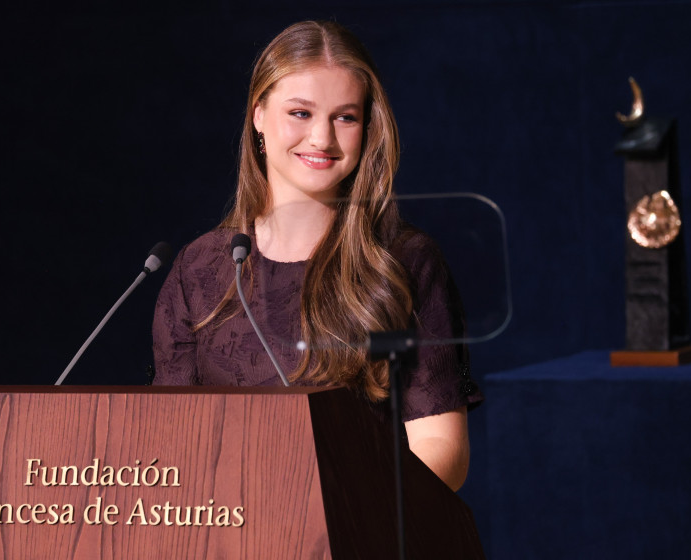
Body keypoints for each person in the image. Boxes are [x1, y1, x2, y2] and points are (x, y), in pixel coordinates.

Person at [151, 20, 482, 491]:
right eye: (301, 113)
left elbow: (441, 448)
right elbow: (169, 441)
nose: (322, 139)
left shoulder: (406, 260)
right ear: (258, 115)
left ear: (367, 128)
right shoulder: (199, 268)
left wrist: (345, 515)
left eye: (345, 117)